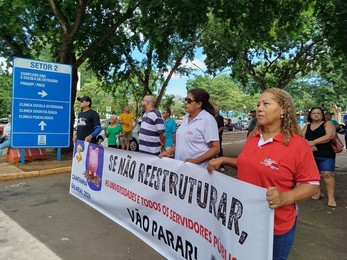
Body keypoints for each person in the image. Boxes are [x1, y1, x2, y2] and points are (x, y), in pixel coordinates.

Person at [207, 88, 320, 260]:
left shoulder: (298, 145)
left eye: (266, 104)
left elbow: (311, 185)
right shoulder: (253, 137)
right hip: (243, 220)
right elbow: (251, 165)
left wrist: (285, 197)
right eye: (258, 104)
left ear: (283, 109)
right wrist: (224, 160)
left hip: (276, 227)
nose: (259, 108)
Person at [160, 88, 220, 167]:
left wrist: (195, 161)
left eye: (189, 101)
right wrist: (169, 152)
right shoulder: (185, 118)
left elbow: (215, 149)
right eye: (185, 99)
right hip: (181, 168)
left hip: (197, 171)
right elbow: (181, 143)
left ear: (199, 104)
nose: (185, 103)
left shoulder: (207, 119)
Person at [302, 107, 337, 207]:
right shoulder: (307, 125)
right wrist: (309, 145)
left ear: (322, 115)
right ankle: (318, 193)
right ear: (310, 115)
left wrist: (313, 142)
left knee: (327, 174)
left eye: (318, 113)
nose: (316, 115)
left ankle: (331, 198)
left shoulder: (328, 124)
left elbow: (330, 136)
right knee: (314, 175)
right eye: (314, 113)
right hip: (311, 154)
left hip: (326, 154)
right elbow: (302, 137)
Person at [214, 106, 225, 172]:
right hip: (212, 136)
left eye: (215, 110)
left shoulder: (220, 117)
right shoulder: (212, 117)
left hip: (217, 136)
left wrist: (216, 133)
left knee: (219, 150)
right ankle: (214, 164)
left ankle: (222, 166)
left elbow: (221, 127)